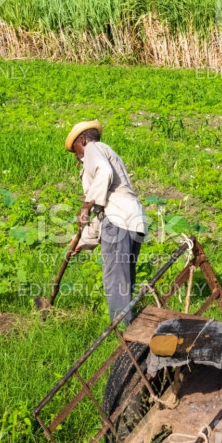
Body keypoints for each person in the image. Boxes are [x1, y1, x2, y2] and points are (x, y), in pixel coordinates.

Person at [65, 120, 147, 324]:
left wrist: (86, 206)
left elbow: (104, 172)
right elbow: (105, 214)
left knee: (115, 280)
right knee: (124, 280)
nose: (76, 156)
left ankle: (120, 330)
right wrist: (82, 242)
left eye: (75, 150)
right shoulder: (108, 152)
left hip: (119, 221)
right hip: (133, 220)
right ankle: (129, 326)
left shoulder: (93, 149)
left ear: (83, 141)